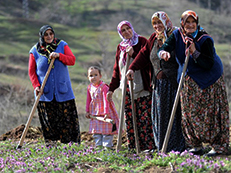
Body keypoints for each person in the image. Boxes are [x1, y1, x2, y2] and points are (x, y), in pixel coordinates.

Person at [159, 10, 230, 157]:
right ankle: (195, 145)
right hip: (188, 79)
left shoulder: (205, 39)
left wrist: (194, 52)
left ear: (197, 23)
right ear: (182, 24)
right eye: (187, 22)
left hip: (209, 80)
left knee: (210, 113)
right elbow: (165, 46)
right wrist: (163, 53)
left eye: (193, 22)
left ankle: (218, 146)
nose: (191, 25)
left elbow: (208, 64)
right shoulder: (177, 34)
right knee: (188, 113)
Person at [126, 11, 185, 153]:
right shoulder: (153, 38)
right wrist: (132, 68)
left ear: (166, 22)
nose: (157, 26)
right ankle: (162, 147)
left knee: (173, 115)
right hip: (158, 86)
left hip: (173, 83)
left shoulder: (176, 35)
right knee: (159, 116)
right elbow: (144, 54)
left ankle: (175, 146)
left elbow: (182, 56)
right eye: (155, 23)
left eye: (159, 22)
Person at [107, 20, 155, 152]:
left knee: (144, 118)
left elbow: (148, 62)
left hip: (142, 86)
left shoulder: (142, 41)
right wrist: (111, 88)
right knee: (130, 118)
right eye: (123, 30)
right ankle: (133, 147)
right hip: (126, 88)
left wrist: (134, 54)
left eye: (128, 28)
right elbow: (118, 70)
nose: (127, 32)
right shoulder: (120, 47)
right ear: (120, 33)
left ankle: (148, 146)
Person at [28, 25, 81, 145]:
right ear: (41, 36)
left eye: (51, 34)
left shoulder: (62, 45)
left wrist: (59, 56)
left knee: (67, 120)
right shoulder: (35, 51)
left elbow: (72, 60)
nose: (49, 36)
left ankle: (71, 145)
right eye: (46, 34)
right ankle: (52, 145)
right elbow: (32, 71)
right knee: (49, 122)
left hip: (63, 91)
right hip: (44, 92)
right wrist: (36, 85)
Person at [85, 66, 119, 150]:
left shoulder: (104, 87)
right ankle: (99, 148)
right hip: (95, 114)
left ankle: (107, 148)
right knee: (97, 132)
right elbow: (88, 100)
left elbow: (105, 100)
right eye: (91, 75)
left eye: (96, 75)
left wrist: (106, 112)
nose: (93, 77)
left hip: (105, 114)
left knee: (106, 132)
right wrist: (87, 111)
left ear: (100, 76)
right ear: (88, 77)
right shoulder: (90, 87)